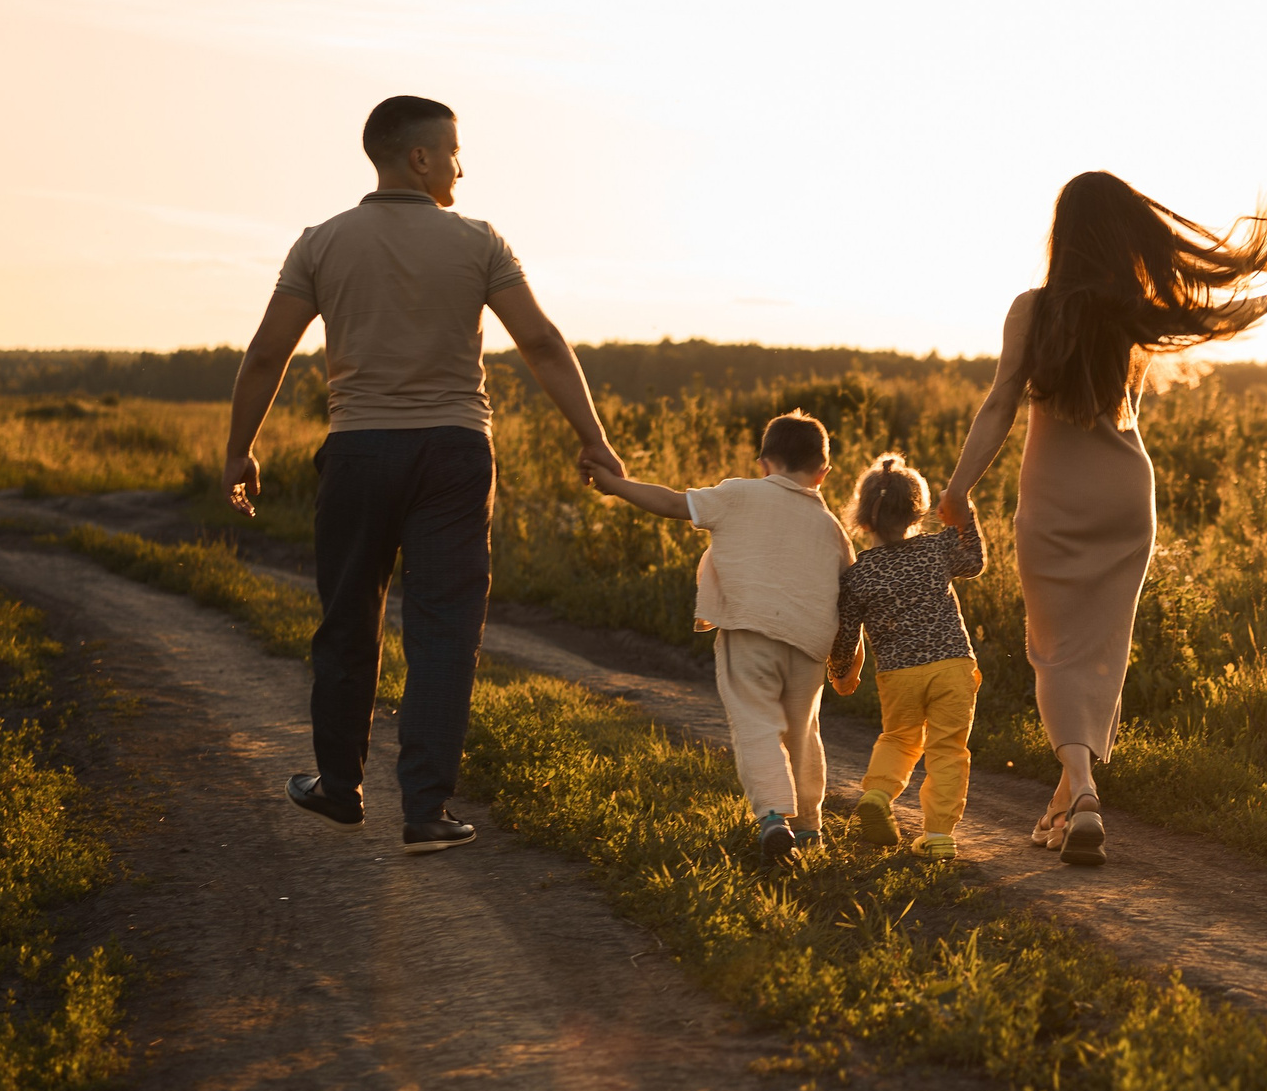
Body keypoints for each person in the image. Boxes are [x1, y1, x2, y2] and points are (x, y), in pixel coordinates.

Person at [224, 94, 624, 855]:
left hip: (358, 453)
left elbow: (266, 354)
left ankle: (339, 788)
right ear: (417, 157)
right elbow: (540, 341)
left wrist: (239, 448)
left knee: (348, 618)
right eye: (452, 151)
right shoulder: (478, 242)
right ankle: (426, 810)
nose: (460, 167)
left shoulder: (321, 243)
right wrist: (594, 438)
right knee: (444, 630)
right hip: (453, 452)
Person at [938, 171, 1267, 866]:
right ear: (1122, 235)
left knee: (1056, 652)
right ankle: (1064, 804)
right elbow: (1210, 318)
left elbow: (999, 404)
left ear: (1064, 233)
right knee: (1099, 652)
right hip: (1123, 494)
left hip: (1053, 495)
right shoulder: (1131, 309)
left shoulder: (1033, 308)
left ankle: (1082, 789)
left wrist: (959, 489)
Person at [582, 411, 853, 864]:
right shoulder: (832, 528)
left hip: (749, 631)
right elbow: (850, 596)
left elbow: (671, 503)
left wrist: (617, 485)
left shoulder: (738, 493)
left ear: (764, 462)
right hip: (809, 646)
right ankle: (810, 828)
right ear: (823, 473)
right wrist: (849, 660)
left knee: (756, 724)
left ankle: (772, 816)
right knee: (805, 733)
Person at [828, 454, 987, 860]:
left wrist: (841, 672)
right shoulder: (938, 547)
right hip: (952, 665)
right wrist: (964, 515)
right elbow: (975, 562)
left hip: (898, 674)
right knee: (948, 748)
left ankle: (879, 794)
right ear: (919, 512)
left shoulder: (858, 575)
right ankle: (938, 836)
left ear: (862, 519)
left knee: (899, 738)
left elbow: (845, 634)